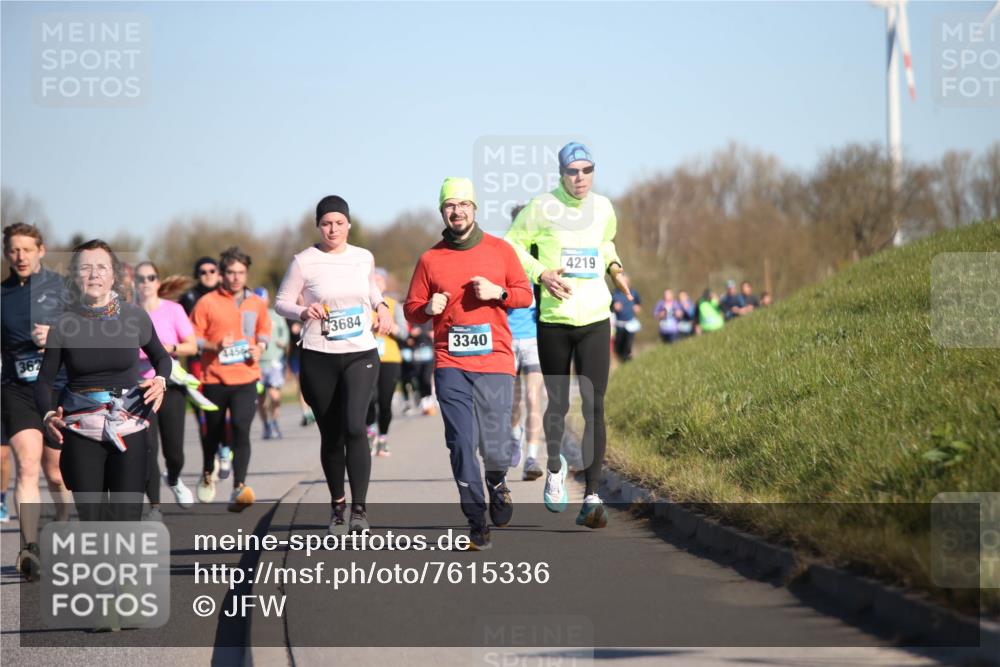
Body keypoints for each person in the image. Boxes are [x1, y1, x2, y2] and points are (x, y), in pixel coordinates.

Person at [504, 142, 629, 528]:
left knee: (594, 406)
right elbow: (512, 245)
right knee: (557, 404)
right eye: (573, 171)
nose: (580, 178)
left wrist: (614, 265)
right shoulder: (541, 207)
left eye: (587, 170)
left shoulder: (604, 207)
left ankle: (592, 496)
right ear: (561, 173)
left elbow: (605, 241)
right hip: (555, 319)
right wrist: (540, 273)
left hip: (594, 317)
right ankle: (555, 466)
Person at [405, 177, 532, 550]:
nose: (456, 211)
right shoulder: (430, 259)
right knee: (461, 442)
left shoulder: (500, 250)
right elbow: (411, 310)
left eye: (463, 204)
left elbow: (524, 294)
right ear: (442, 211)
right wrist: (427, 308)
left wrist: (500, 293)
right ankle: (476, 521)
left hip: (494, 361)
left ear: (474, 209)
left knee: (494, 444)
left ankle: (496, 482)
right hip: (450, 363)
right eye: (449, 205)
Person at [276, 195, 391, 535]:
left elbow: (371, 290)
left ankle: (359, 510)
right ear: (318, 226)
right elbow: (282, 301)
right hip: (318, 354)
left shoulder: (363, 257)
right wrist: (302, 311)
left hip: (360, 352)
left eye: (339, 222)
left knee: (355, 426)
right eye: (327, 223)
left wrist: (382, 306)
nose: (333, 229)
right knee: (331, 433)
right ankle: (338, 506)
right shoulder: (304, 262)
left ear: (349, 225)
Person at [35, 239, 169, 524]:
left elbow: (161, 358)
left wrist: (160, 380)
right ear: (74, 275)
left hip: (129, 424)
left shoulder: (134, 317)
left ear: (113, 275)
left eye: (101, 267)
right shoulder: (63, 324)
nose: (94, 274)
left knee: (126, 516)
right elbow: (44, 380)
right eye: (85, 268)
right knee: (92, 518)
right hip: (81, 429)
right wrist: (47, 415)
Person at [1, 223, 74, 579]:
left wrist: (57, 335)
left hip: (57, 387)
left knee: (56, 473)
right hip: (16, 388)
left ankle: (61, 525)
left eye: (27, 249)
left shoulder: (62, 290)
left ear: (41, 251)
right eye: (13, 250)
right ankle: (28, 548)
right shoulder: (2, 295)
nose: (20, 256)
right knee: (27, 467)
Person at [190, 246, 271, 511]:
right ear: (222, 274)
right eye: (231, 272)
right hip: (214, 378)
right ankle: (206, 470)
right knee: (212, 433)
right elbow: (193, 339)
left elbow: (264, 332)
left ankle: (239, 487)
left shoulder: (256, 303)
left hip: (246, 378)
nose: (236, 277)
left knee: (241, 429)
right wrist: (215, 346)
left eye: (241, 273)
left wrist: (261, 347)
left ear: (246, 273)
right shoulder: (207, 302)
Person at [135, 261, 199, 517]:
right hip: (139, 388)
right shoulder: (128, 314)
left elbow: (192, 346)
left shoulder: (173, 310)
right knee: (147, 449)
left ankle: (173, 478)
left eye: (151, 277)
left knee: (175, 452)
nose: (146, 283)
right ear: (135, 284)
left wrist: (166, 348)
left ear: (158, 282)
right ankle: (155, 506)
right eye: (141, 279)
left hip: (170, 385)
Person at [366, 268, 408, 457]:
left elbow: (405, 333)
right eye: (372, 281)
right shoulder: (363, 305)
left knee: (384, 401)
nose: (375, 285)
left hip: (389, 359)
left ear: (384, 284)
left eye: (379, 281)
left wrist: (388, 325)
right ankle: (369, 431)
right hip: (366, 358)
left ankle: (383, 437)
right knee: (368, 398)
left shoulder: (392, 305)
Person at [507, 293, 546, 480]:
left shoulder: (538, 270)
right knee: (511, 403)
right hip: (506, 340)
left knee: (533, 396)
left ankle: (531, 458)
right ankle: (515, 436)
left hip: (534, 341)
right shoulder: (502, 268)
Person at [254, 287, 290, 440]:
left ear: (267, 300)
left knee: (275, 395)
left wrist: (283, 343)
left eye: (263, 299)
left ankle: (275, 422)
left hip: (275, 362)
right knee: (260, 399)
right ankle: (266, 425)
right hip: (256, 364)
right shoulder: (250, 316)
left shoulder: (276, 316)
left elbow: (285, 336)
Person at [612, 277, 641, 362]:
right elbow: (609, 307)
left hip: (630, 323)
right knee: (619, 344)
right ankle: (620, 359)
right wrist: (614, 307)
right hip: (619, 324)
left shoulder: (633, 293)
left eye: (626, 282)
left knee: (628, 344)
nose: (624, 283)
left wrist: (637, 307)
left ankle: (627, 360)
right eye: (622, 281)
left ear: (629, 282)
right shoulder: (615, 294)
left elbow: (638, 304)